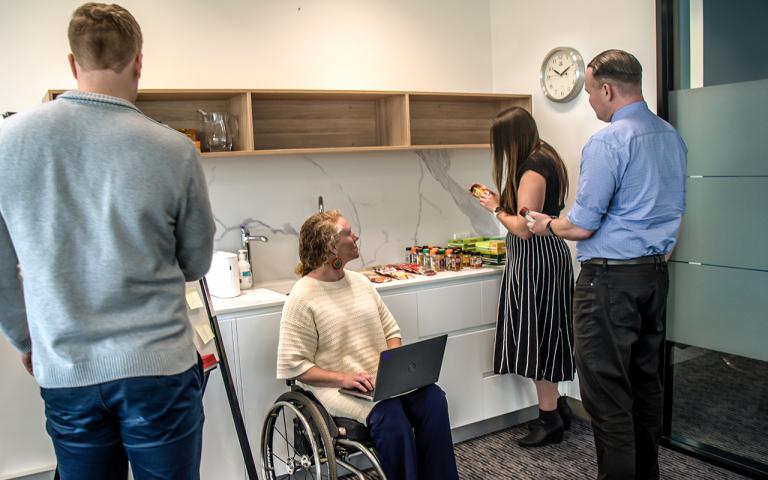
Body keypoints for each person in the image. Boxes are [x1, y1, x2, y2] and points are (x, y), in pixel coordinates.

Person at [0, 3, 215, 478]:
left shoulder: (7, 142)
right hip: (157, 365)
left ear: (72, 63)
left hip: (66, 366)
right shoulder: (173, 149)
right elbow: (197, 261)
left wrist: (25, 338)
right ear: (139, 60)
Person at [528, 49, 687, 479]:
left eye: (590, 93)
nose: (591, 103)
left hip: (609, 283)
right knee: (645, 384)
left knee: (607, 395)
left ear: (607, 89)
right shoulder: (670, 136)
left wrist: (547, 224)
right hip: (653, 276)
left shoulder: (608, 141)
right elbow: (674, 210)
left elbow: (580, 225)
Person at [276, 210, 459, 480]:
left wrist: (396, 366)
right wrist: (345, 378)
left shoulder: (361, 283)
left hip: (379, 380)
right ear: (331, 246)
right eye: (348, 233)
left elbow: (391, 330)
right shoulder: (302, 298)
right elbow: (295, 367)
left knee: (433, 399)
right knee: (391, 417)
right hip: (336, 388)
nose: (356, 236)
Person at [473, 106, 575, 447]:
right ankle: (559, 408)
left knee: (539, 338)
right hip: (548, 258)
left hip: (537, 262)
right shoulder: (547, 154)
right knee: (548, 332)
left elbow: (525, 227)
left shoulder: (532, 169)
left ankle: (549, 422)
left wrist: (495, 208)